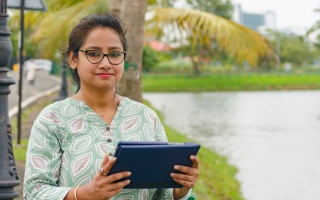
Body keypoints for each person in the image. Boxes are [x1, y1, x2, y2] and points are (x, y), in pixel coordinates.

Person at [23, 13, 200, 200]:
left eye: (115, 54)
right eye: (93, 54)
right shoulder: (52, 119)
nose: (106, 63)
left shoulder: (146, 117)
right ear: (73, 59)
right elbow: (34, 192)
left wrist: (180, 189)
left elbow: (161, 193)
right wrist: (85, 194)